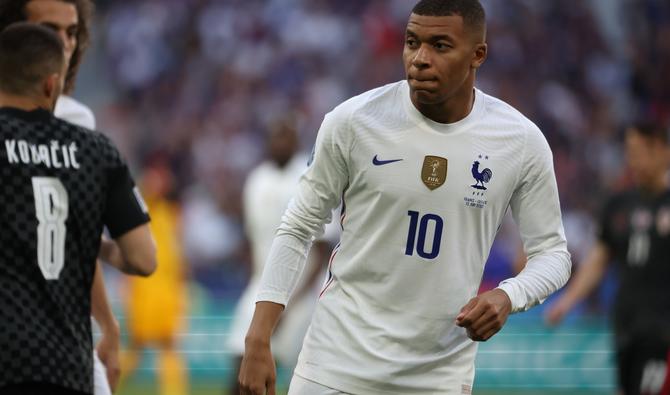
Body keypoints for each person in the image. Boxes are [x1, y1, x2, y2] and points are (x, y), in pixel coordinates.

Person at [239, 0, 572, 394]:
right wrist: (259, 335)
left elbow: (553, 254)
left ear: (477, 54)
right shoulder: (353, 122)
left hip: (437, 377)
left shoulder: (520, 142)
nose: (419, 59)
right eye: (412, 42)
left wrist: (508, 295)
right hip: (335, 365)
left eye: (440, 46)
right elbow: (298, 227)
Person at [0, 23, 156, 395]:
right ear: (52, 84)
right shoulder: (96, 151)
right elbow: (143, 259)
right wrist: (84, 236)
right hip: (67, 365)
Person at [546, 124, 670, 395]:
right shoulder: (619, 204)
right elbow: (599, 259)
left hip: (663, 332)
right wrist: (567, 302)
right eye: (629, 152)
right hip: (626, 326)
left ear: (662, 151)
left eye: (639, 152)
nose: (632, 160)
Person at [228, 117, 334, 394]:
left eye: (286, 136)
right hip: (261, 285)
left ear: (296, 141)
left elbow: (321, 249)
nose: (280, 142)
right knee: (242, 359)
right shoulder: (257, 180)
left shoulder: (307, 174)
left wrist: (292, 299)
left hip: (302, 293)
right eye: (276, 137)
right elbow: (252, 237)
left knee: (299, 373)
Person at [121, 154, 190, 395]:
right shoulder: (144, 209)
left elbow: (179, 253)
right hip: (146, 287)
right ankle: (106, 384)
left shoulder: (171, 212)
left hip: (166, 288)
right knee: (137, 346)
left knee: (168, 346)